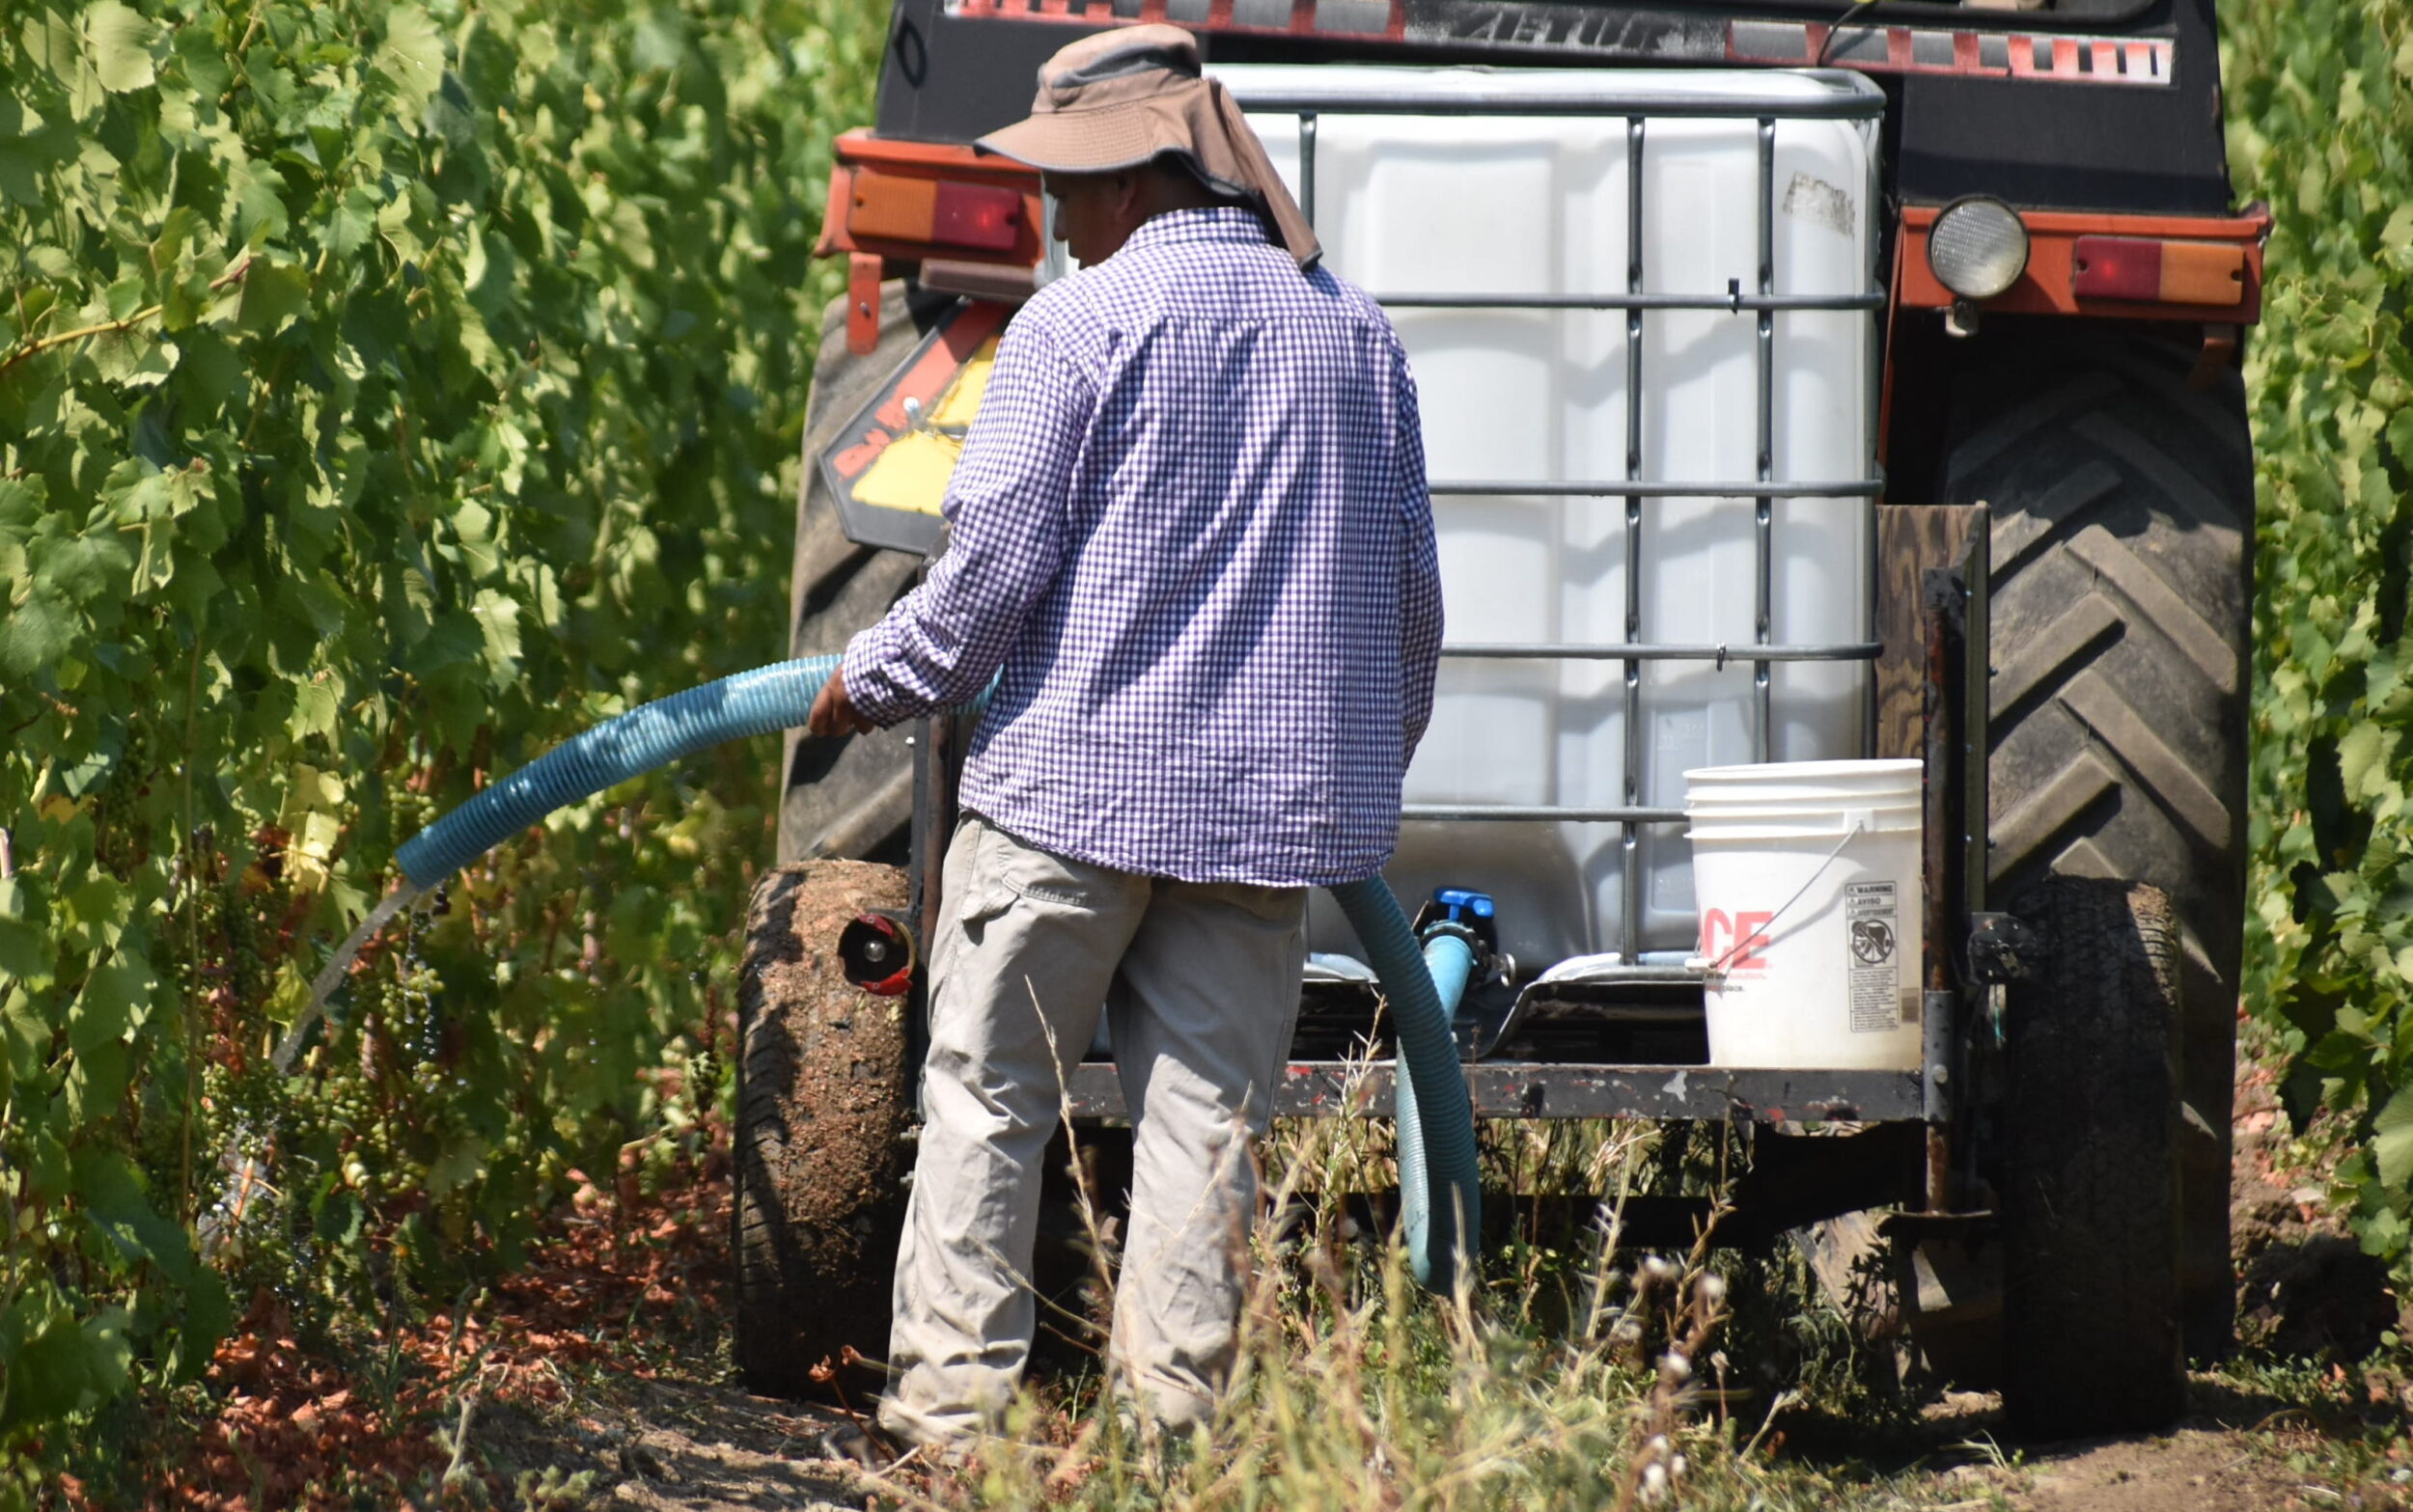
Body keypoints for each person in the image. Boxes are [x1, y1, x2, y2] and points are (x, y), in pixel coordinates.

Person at [804, 23, 1440, 1448]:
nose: (1053, 217)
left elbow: (985, 581)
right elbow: (1408, 608)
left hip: (1067, 814)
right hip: (1262, 828)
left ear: (1141, 182)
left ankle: (955, 1440)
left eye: (1067, 188)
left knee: (987, 1105)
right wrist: (1348, 784)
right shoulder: (1351, 331)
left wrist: (874, 678)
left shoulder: (1077, 329)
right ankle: (1176, 1450)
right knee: (1206, 1133)